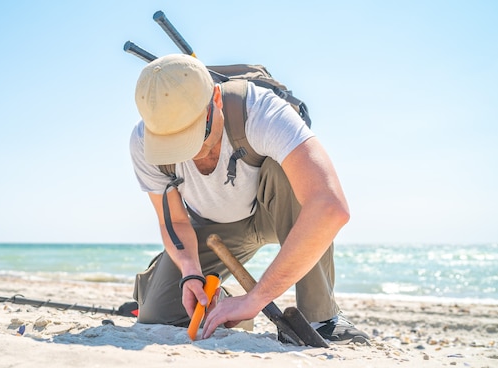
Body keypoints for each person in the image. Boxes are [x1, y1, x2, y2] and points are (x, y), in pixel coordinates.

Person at [129, 53, 369, 344]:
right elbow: (176, 220)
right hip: (213, 227)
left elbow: (329, 207)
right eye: (175, 144)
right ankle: (225, 305)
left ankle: (322, 318)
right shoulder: (143, 143)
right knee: (157, 314)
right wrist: (191, 274)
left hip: (275, 212)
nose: (190, 153)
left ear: (215, 100)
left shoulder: (260, 111)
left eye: (195, 136)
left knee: (290, 174)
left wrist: (256, 298)